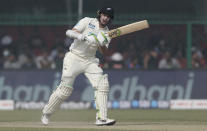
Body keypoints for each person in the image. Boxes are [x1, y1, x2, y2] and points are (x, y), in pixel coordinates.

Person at [41, 7, 116, 126]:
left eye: (108, 16)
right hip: (74, 58)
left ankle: (101, 119)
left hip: (90, 61)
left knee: (102, 84)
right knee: (65, 90)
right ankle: (47, 113)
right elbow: (69, 32)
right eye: (104, 15)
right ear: (100, 14)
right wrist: (83, 37)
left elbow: (103, 51)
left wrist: (101, 43)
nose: (106, 18)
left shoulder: (107, 33)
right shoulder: (87, 21)